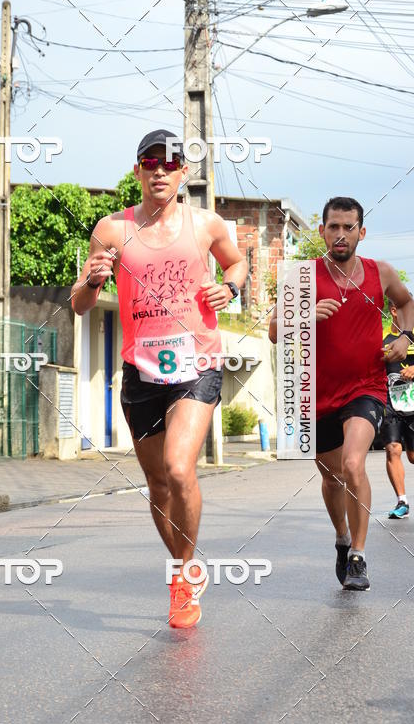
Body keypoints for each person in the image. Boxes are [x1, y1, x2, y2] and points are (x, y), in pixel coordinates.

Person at [71, 129, 247, 628]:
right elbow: (79, 306)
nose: (160, 171)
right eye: (151, 162)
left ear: (183, 172)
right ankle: (180, 567)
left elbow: (237, 266)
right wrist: (92, 279)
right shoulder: (111, 230)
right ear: (138, 171)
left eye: (170, 163)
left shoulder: (207, 223)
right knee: (156, 484)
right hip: (142, 372)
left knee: (176, 468)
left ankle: (187, 573)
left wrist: (228, 290)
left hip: (198, 364)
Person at [269, 197, 414, 591]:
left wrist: (405, 336)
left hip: (365, 389)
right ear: (322, 232)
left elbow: (406, 303)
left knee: (354, 464)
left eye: (349, 227)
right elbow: (272, 331)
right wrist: (304, 314)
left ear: (361, 233)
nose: (340, 234)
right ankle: (342, 538)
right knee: (333, 479)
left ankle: (358, 558)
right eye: (333, 226)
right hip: (313, 394)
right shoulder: (301, 277)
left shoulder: (380, 273)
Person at [381, 299, 414, 519]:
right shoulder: (381, 337)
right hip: (389, 403)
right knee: (393, 449)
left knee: (412, 456)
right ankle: (402, 501)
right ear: (393, 311)